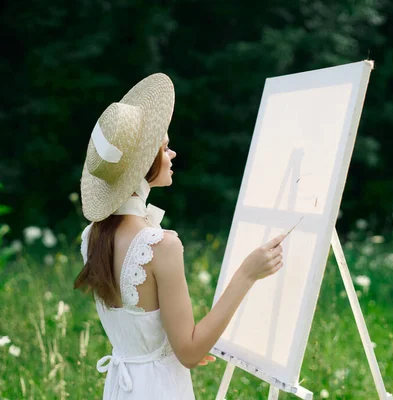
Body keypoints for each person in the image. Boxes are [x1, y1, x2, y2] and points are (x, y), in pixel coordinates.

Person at [74, 73, 285, 399]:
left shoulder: (92, 237)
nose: (172, 154)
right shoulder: (160, 244)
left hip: (120, 388)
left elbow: (148, 334)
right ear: (144, 165)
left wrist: (175, 345)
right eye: (165, 147)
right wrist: (247, 273)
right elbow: (188, 352)